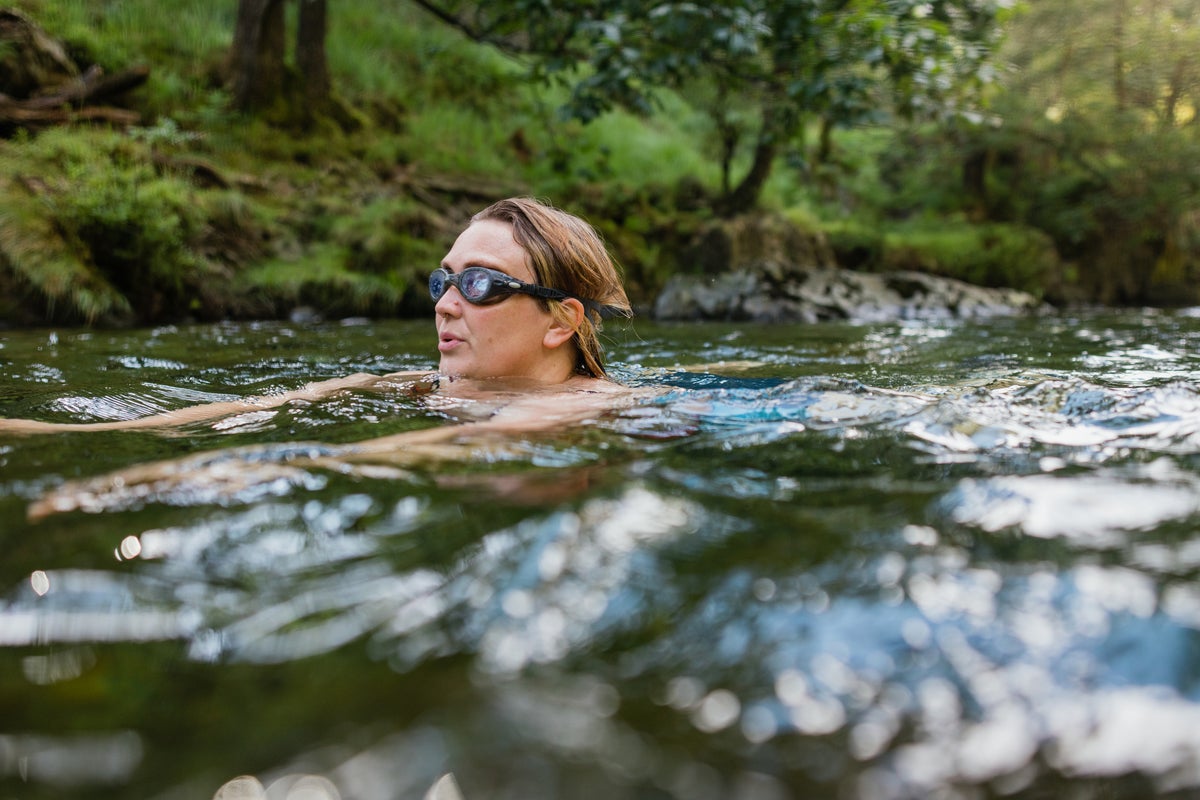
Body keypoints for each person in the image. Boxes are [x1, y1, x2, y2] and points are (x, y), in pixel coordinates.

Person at [0, 197, 635, 436]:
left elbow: (454, 450)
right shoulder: (427, 385)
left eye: (478, 284)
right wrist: (65, 436)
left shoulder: (579, 406)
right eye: (444, 279)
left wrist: (175, 482)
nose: (445, 302)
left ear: (561, 321)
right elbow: (268, 406)